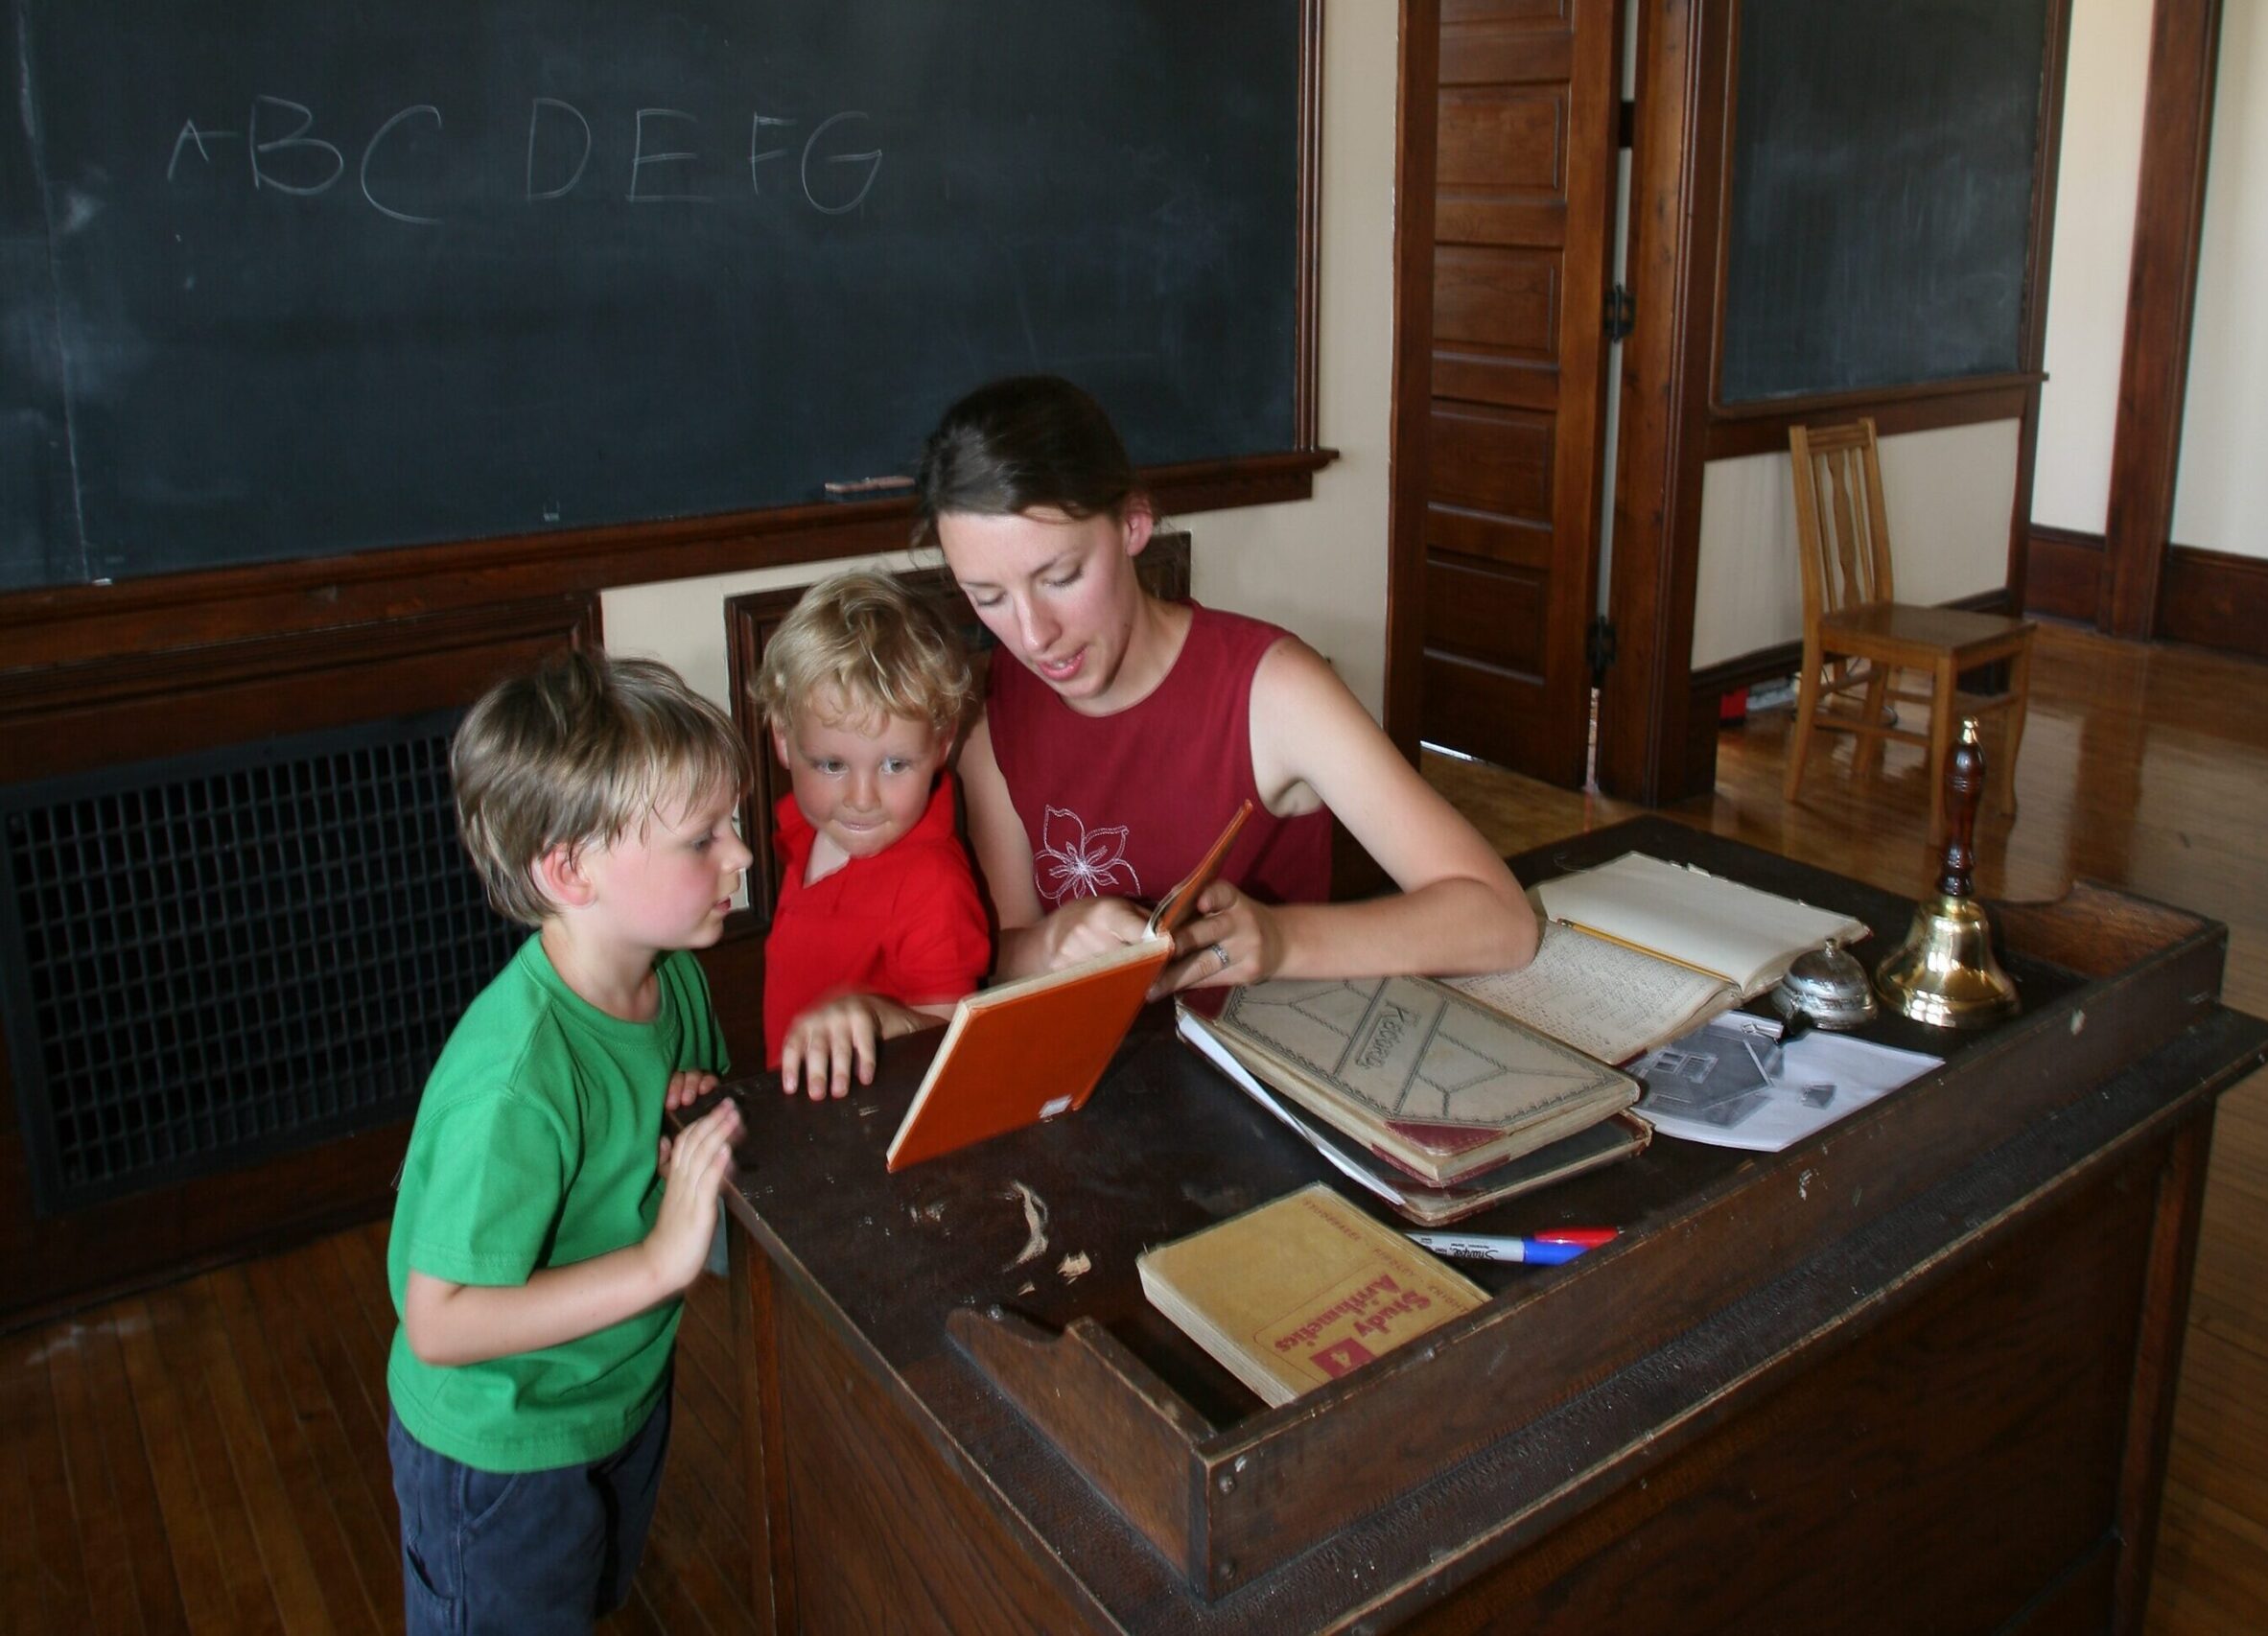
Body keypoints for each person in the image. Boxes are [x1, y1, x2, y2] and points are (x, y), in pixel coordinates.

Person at [916, 374, 1539, 993]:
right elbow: (998, 952)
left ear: (1133, 523)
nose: (1032, 634)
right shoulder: (996, 710)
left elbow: (1500, 921)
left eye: (1060, 577)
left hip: (1269, 1062)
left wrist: (1281, 940)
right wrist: (1051, 945)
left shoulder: (1275, 689)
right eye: (988, 597)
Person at [386, 648, 748, 1636]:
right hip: (498, 1449)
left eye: (734, 824)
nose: (741, 855)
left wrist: (693, 1111)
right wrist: (658, 1259)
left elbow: (668, 1118)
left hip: (614, 1393)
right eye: (702, 838)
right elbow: (441, 1321)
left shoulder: (669, 976)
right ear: (568, 869)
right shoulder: (515, 1079)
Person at [749, 571, 992, 1098]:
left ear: (941, 745)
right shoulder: (807, 824)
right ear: (785, 741)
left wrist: (881, 1016)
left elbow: (958, 1045)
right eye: (833, 764)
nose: (862, 799)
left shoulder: (933, 885)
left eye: (895, 765)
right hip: (797, 1109)